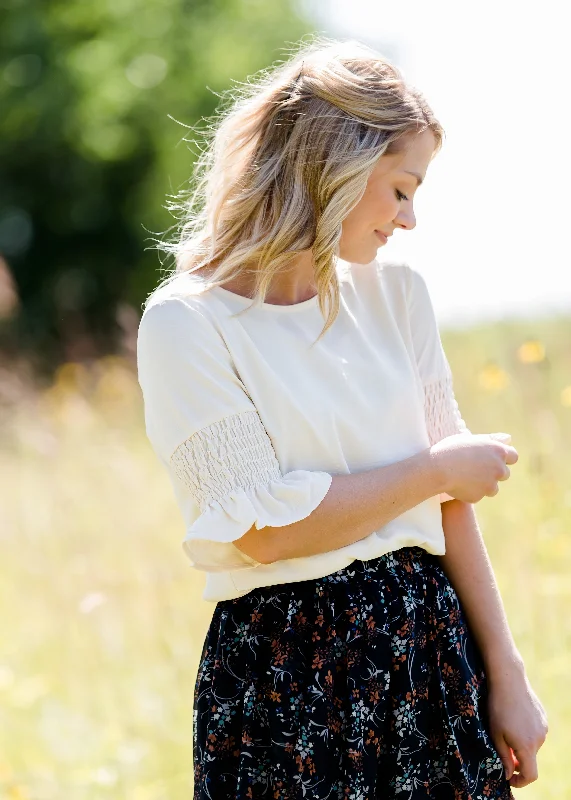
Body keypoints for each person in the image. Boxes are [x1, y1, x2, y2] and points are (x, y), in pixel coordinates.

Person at [137, 36, 547, 800]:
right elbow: (264, 533)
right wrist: (430, 471)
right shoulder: (186, 324)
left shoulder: (398, 297)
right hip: (286, 681)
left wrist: (507, 674)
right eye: (399, 188)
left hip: (432, 658)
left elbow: (450, 506)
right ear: (337, 165)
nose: (409, 217)